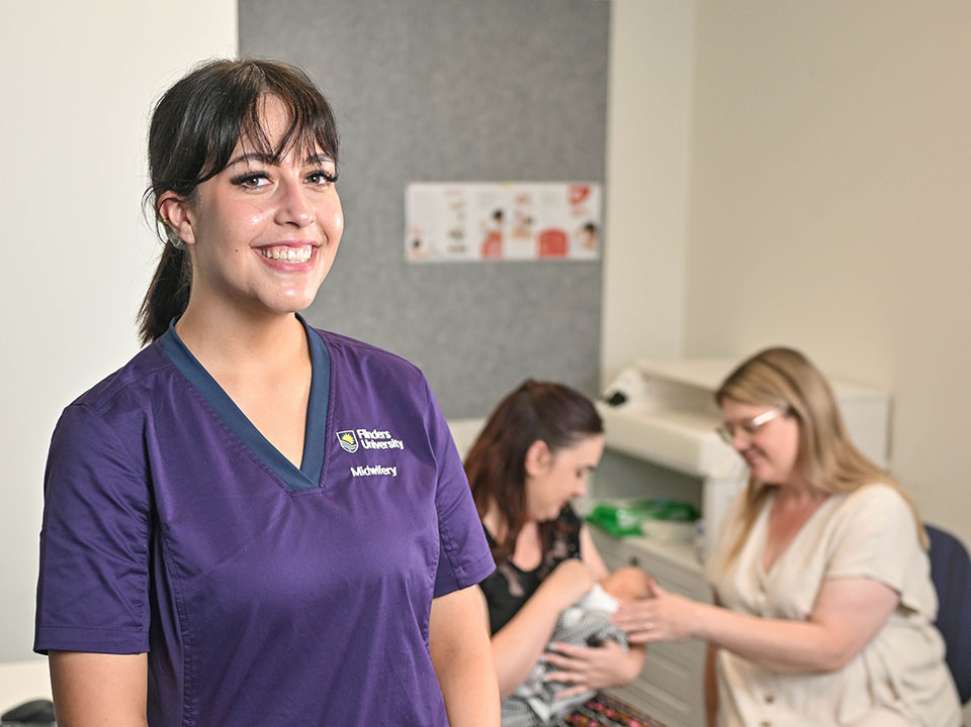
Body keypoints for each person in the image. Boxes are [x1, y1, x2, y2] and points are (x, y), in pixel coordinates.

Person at [33, 59, 499, 726]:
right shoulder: (112, 433)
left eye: (317, 176)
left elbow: (457, 643)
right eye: (254, 178)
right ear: (180, 216)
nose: (299, 210)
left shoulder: (398, 392)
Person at [610, 347, 962, 727]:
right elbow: (723, 637)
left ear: (806, 417)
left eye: (752, 426)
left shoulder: (875, 509)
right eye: (730, 431)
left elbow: (832, 647)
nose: (739, 444)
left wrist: (694, 619)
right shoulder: (749, 505)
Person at [465, 380, 647, 721]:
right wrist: (554, 594)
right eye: (579, 472)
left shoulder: (561, 525)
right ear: (538, 458)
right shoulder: (459, 540)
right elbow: (480, 684)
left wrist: (629, 665)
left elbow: (621, 608)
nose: (580, 490)